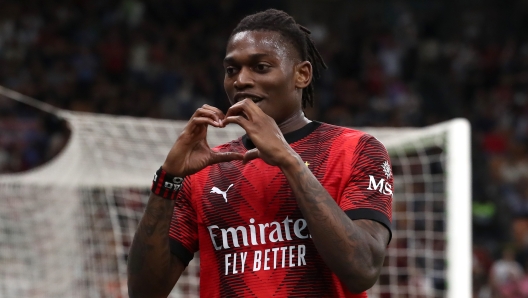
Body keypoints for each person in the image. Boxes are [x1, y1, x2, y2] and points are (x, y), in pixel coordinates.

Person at [127, 9, 392, 298]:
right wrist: (168, 179)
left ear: (302, 74)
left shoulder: (356, 149)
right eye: (231, 70)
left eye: (261, 67)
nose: (241, 80)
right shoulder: (206, 169)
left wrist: (288, 161)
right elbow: (144, 293)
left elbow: (362, 270)